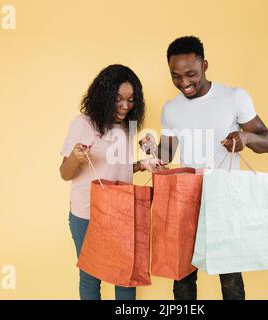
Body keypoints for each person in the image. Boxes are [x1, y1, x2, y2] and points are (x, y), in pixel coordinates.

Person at [140, 36, 268, 300]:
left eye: (190, 74)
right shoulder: (171, 109)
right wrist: (152, 149)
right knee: (182, 277)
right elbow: (167, 155)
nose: (184, 83)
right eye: (175, 76)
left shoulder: (234, 97)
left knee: (230, 278)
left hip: (223, 198)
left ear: (205, 65)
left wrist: (245, 138)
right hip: (183, 199)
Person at [60, 64, 161, 300]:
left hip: (122, 211)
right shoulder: (83, 124)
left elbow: (120, 167)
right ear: (104, 96)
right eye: (118, 99)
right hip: (88, 213)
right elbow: (65, 173)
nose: (125, 106)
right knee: (90, 276)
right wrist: (75, 158)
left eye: (131, 100)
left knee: (126, 275)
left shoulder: (129, 125)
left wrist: (143, 164)